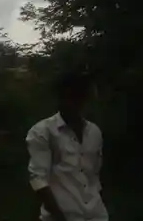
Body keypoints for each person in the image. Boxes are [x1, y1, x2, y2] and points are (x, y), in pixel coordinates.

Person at [26, 72, 108, 221]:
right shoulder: (42, 131)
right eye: (69, 97)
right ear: (60, 98)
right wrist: (59, 217)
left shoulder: (94, 132)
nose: (73, 103)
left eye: (79, 97)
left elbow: (94, 175)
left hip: (96, 215)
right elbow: (38, 180)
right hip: (62, 216)